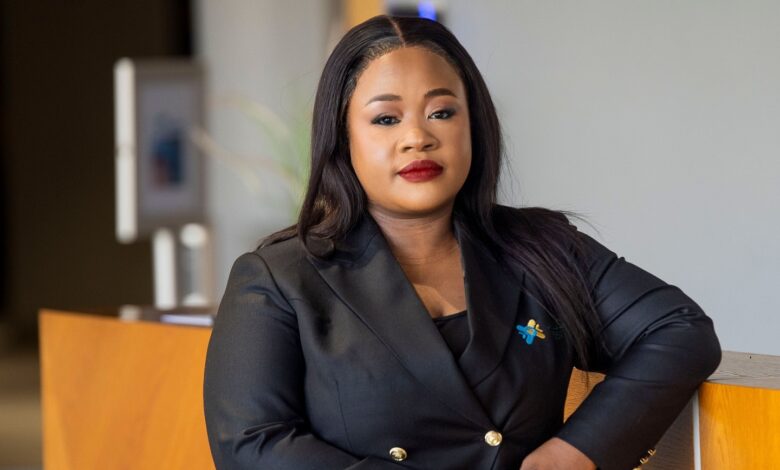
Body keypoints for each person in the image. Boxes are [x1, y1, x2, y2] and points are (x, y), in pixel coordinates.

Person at [203, 15, 721, 470]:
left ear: (474, 123)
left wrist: (578, 449)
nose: (418, 137)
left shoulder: (543, 248)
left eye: (442, 112)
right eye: (386, 119)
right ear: (343, 139)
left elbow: (678, 330)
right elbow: (251, 446)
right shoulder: (279, 278)